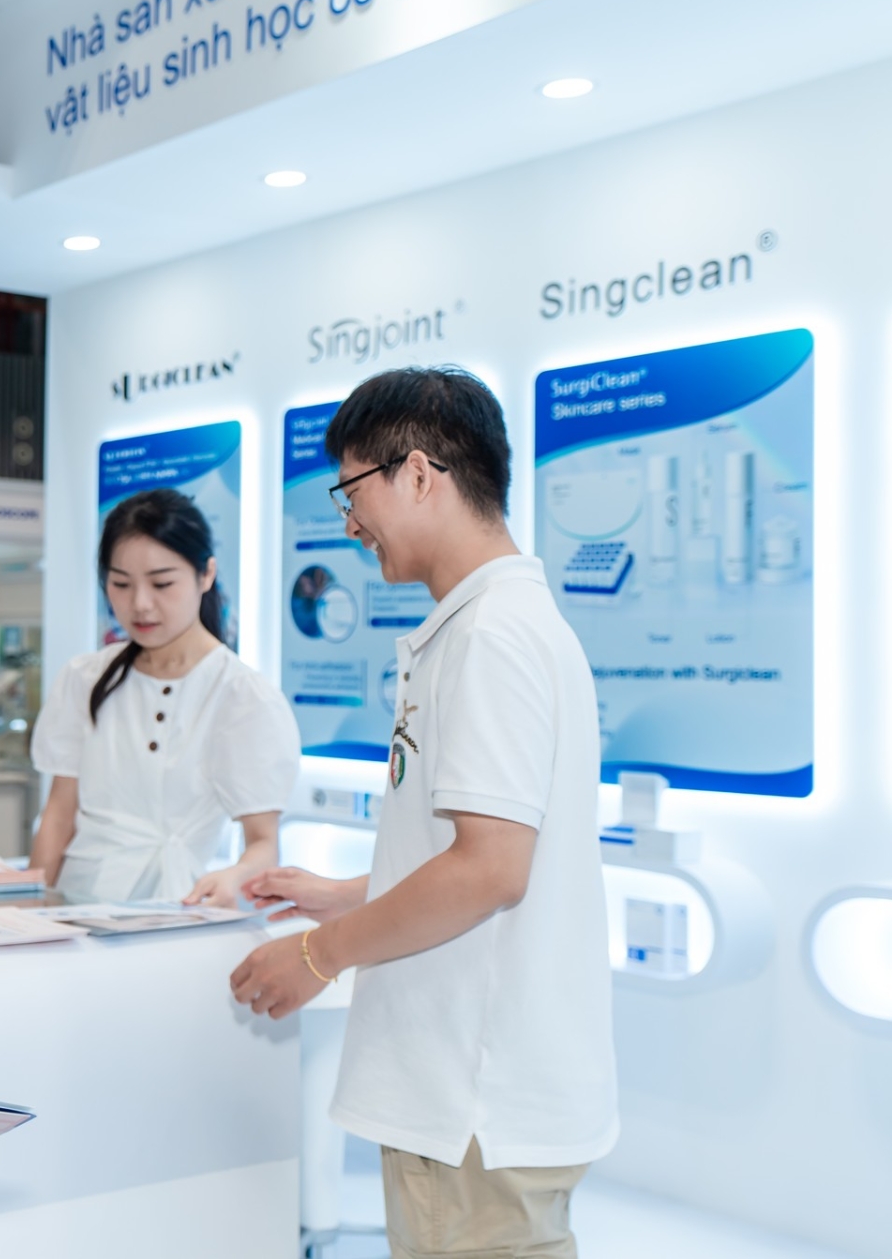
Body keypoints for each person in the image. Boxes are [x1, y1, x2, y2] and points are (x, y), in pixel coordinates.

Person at [229, 367, 616, 1259]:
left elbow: (489, 871)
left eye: (352, 491)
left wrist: (320, 955)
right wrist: (347, 895)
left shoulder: (491, 635)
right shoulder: (494, 625)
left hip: (470, 1101)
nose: (347, 522)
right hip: (475, 1098)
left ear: (416, 474)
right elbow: (485, 851)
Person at [29, 488, 298, 905]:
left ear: (206, 574)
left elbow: (263, 843)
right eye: (120, 584)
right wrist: (30, 910)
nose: (140, 604)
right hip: (75, 906)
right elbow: (58, 816)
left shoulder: (243, 696)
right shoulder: (85, 677)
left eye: (162, 583)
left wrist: (236, 876)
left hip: (179, 910)